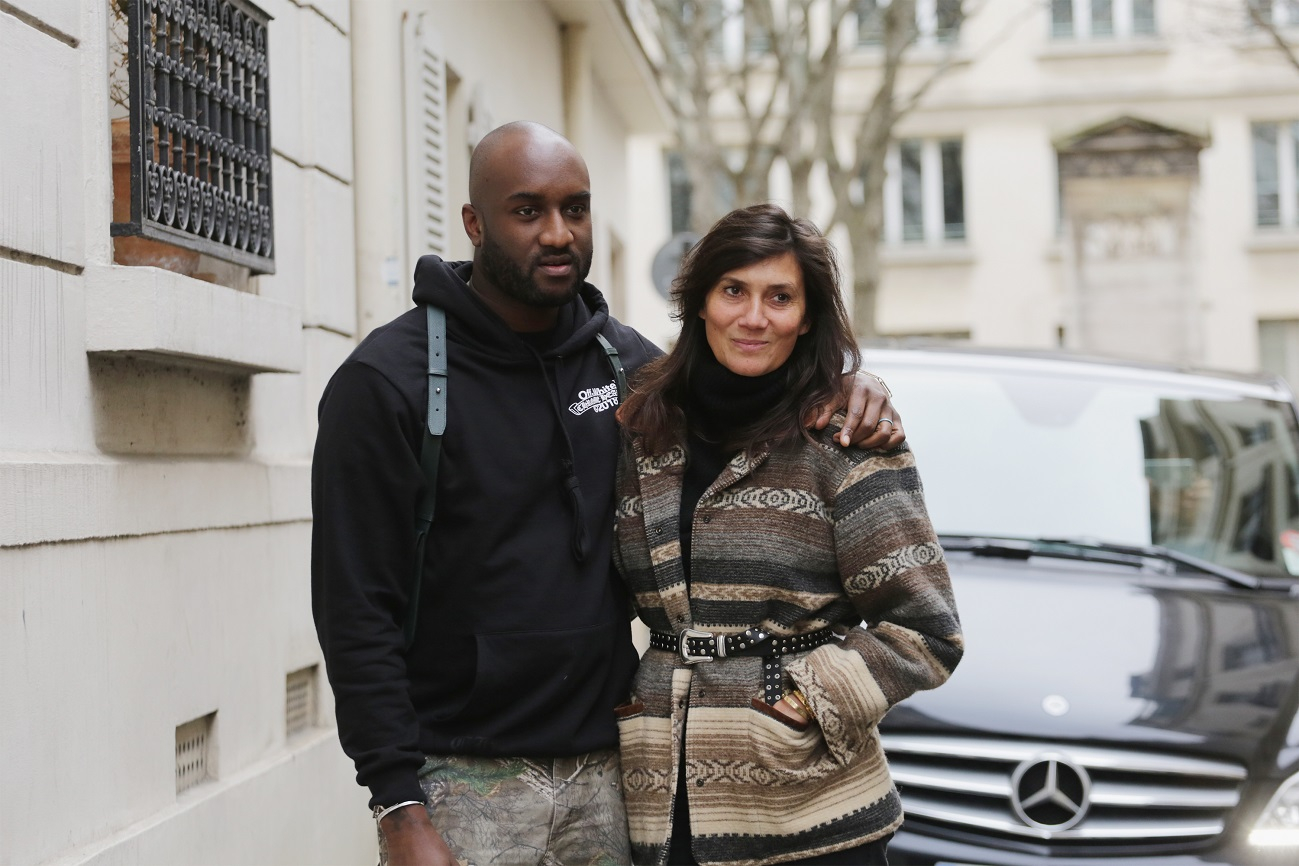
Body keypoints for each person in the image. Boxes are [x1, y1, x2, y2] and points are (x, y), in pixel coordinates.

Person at [311, 123, 903, 866]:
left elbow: (750, 390)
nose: (557, 234)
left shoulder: (630, 369)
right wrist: (397, 804)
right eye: (527, 211)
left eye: (576, 209)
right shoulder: (386, 383)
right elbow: (354, 609)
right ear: (474, 223)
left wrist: (847, 384)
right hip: (462, 779)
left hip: (617, 772)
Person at [612, 204, 964, 866]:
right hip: (660, 808)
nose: (753, 317)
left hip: (812, 813)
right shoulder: (644, 429)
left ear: (805, 317)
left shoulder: (844, 438)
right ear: (699, 302)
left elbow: (925, 629)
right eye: (733, 291)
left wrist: (801, 702)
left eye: (779, 297)